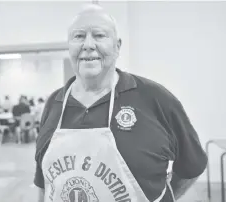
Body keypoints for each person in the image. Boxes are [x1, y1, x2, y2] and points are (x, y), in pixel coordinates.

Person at [34, 4, 207, 202]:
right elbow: (44, 182)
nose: (88, 44)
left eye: (99, 35)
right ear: (69, 46)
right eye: (78, 36)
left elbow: (192, 166)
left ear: (117, 46)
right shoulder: (54, 103)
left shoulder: (155, 99)